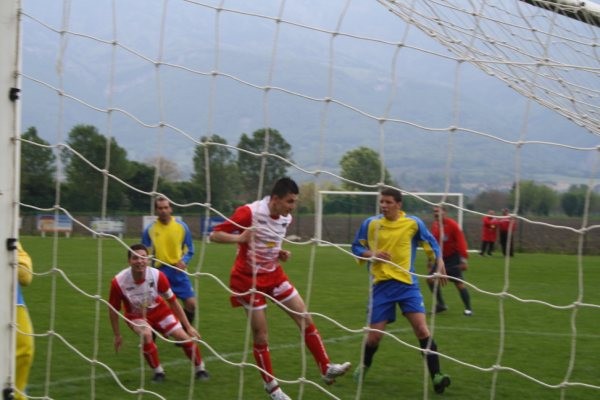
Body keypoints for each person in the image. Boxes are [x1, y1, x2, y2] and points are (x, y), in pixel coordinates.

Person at [209, 177, 351, 400]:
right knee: (261, 335)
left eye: (294, 202)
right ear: (275, 199)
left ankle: (326, 368)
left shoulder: (286, 217)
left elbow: (269, 241)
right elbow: (215, 235)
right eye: (289, 201)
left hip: (273, 275)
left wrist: (279, 252)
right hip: (248, 280)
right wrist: (240, 238)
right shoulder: (249, 212)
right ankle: (272, 389)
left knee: (304, 318)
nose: (292, 207)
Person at [350, 188, 451, 394]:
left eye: (388, 202)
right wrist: (372, 254)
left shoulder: (413, 223)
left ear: (398, 204)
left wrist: (438, 262)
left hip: (407, 285)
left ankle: (437, 376)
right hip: (381, 286)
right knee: (374, 337)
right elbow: (356, 247)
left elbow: (431, 242)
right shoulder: (371, 224)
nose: (384, 205)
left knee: (422, 330)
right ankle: (365, 365)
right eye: (382, 202)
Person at [108, 243, 209, 382]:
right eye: (135, 258)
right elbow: (113, 309)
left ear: (148, 259)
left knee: (182, 336)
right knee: (146, 334)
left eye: (143, 257)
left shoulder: (157, 275)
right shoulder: (119, 282)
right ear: (129, 261)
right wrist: (117, 335)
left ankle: (200, 369)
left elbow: (173, 302)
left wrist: (188, 326)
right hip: (136, 315)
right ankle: (158, 373)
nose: (139, 261)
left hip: (160, 310)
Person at [142, 197, 196, 331]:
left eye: (166, 207)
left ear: (171, 209)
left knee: (191, 304)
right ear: (156, 210)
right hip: (160, 273)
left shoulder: (182, 227)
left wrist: (184, 261)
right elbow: (144, 251)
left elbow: (190, 249)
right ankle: (151, 337)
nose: (163, 211)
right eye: (160, 208)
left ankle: (184, 332)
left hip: (178, 272)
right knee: (154, 308)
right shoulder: (150, 229)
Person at [429, 206, 472, 316]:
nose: (435, 213)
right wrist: (430, 259)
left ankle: (468, 309)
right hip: (440, 259)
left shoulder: (452, 225)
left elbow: (461, 242)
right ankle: (441, 304)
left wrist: (464, 260)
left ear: (444, 212)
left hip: (453, 258)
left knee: (458, 283)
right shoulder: (435, 226)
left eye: (438, 211)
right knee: (430, 280)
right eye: (434, 211)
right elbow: (433, 243)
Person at [14, 242, 34, 400]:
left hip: (13, 304)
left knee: (24, 351)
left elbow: (25, 276)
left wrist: (20, 260)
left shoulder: (8, 237)